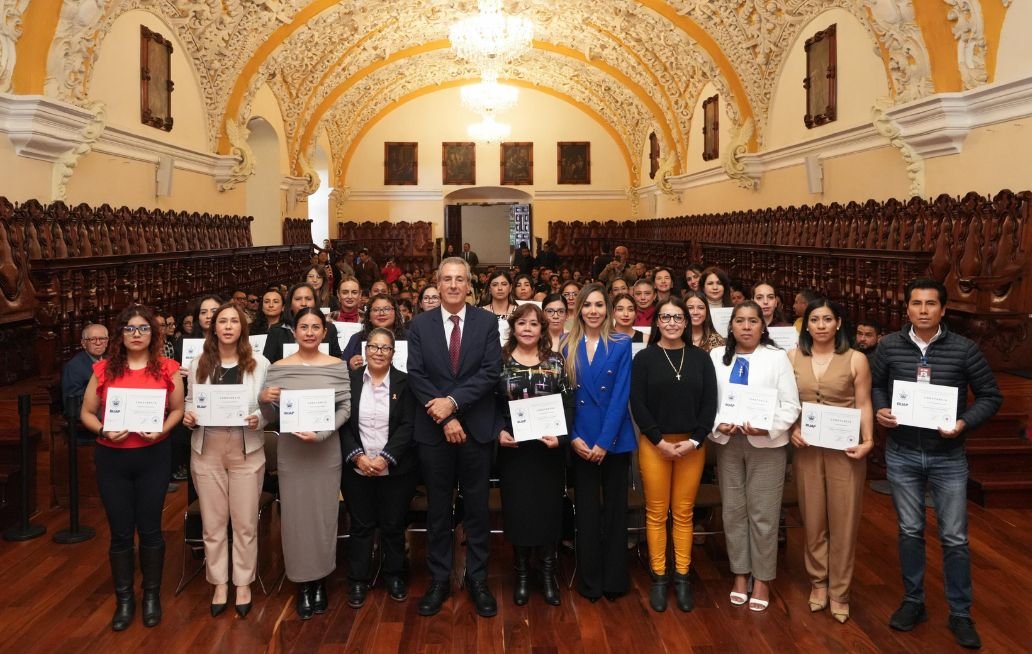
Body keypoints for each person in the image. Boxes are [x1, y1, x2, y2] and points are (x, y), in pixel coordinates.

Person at [872, 279, 1002, 649]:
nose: (924, 310)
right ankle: (914, 602)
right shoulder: (890, 346)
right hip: (902, 453)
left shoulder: (965, 349)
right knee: (910, 530)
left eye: (931, 304)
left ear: (943, 310)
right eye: (917, 303)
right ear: (908, 308)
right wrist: (881, 408)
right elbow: (878, 385)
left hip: (948, 457)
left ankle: (960, 612)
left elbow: (992, 396)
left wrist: (964, 422)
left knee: (954, 537)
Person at [79, 305, 185, 631]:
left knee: (151, 528)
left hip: (153, 456)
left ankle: (151, 595)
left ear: (153, 334)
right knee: (121, 531)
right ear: (120, 334)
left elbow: (178, 409)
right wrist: (103, 430)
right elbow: (86, 412)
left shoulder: (168, 368)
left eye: (143, 329)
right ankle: (124, 599)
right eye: (130, 329)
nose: (136, 334)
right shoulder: (103, 369)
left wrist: (164, 428)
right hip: (113, 458)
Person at [406, 257, 501, 618]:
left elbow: (491, 372)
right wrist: (444, 417)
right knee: (438, 510)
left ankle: (477, 579)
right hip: (434, 431)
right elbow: (416, 375)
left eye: (460, 279)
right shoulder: (420, 325)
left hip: (475, 429)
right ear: (438, 283)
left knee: (477, 509)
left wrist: (453, 403)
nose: (453, 285)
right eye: (447, 279)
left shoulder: (487, 322)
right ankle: (439, 579)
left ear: (469, 284)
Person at [259, 308, 351, 620]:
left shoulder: (337, 367)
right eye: (304, 327)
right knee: (296, 518)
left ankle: (320, 581)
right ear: (294, 332)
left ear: (324, 332)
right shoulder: (278, 368)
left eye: (316, 327)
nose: (310, 332)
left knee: (324, 516)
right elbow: (272, 418)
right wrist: (263, 400)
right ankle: (301, 582)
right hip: (292, 452)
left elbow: (345, 408)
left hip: (325, 450)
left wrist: (323, 432)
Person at [709, 301, 800, 613]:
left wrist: (769, 429)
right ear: (730, 326)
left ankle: (762, 578)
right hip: (729, 444)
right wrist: (717, 424)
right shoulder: (716, 358)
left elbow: (791, 405)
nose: (746, 327)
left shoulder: (777, 359)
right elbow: (709, 402)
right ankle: (740, 574)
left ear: (763, 326)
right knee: (733, 512)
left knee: (763, 513)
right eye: (740, 321)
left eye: (752, 321)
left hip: (766, 446)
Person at [788, 298, 874, 624]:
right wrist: (793, 428)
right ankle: (818, 583)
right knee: (812, 519)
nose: (821, 325)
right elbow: (788, 403)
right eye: (815, 320)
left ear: (838, 323)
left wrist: (869, 440)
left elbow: (864, 403)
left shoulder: (856, 359)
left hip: (846, 450)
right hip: (808, 447)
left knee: (844, 521)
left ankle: (840, 590)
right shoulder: (792, 357)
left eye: (827, 319)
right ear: (806, 325)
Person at [182, 303, 270, 619]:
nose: (229, 326)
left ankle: (243, 583)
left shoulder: (259, 364)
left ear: (242, 328)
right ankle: (219, 582)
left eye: (235, 321)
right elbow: (191, 402)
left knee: (245, 522)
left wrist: (257, 418)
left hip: (246, 448)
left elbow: (269, 408)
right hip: (207, 448)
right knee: (213, 522)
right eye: (223, 321)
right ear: (213, 327)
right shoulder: (197, 364)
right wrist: (189, 416)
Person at [631, 297, 717, 613]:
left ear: (687, 321)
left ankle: (681, 576)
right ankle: (659, 577)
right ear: (657, 322)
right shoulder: (644, 359)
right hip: (655, 445)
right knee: (656, 512)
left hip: (691, 447)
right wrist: (658, 440)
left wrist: (695, 440)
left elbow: (710, 404)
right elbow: (637, 403)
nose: (671, 323)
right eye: (665, 317)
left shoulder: (700, 359)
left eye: (677, 317)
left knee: (683, 512)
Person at [494, 304, 572, 606]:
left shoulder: (555, 361)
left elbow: (568, 404)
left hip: (547, 450)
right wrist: (499, 431)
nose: (527, 328)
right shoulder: (499, 361)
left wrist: (562, 438)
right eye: (522, 323)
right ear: (513, 328)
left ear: (542, 329)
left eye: (534, 324)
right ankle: (523, 575)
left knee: (549, 511)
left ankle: (549, 574)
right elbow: (490, 403)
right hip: (514, 450)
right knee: (519, 512)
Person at [563, 283, 636, 602]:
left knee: (616, 512)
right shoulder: (567, 345)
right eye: (587, 305)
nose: (593, 311)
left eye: (599, 305)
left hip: (614, 440)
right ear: (578, 309)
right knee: (587, 514)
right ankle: (590, 581)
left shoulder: (621, 344)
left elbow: (620, 397)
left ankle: (615, 580)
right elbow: (565, 399)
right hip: (580, 439)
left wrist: (604, 442)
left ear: (608, 309)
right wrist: (575, 438)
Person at [339, 327, 418, 608]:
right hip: (357, 467)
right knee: (360, 525)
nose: (378, 353)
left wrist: (385, 457)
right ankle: (358, 579)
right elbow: (343, 424)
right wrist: (358, 457)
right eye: (373, 347)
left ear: (393, 354)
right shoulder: (350, 382)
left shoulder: (405, 384)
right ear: (365, 350)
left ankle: (395, 575)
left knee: (393, 524)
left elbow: (408, 426)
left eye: (385, 348)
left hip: (396, 468)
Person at [263, 284, 343, 363]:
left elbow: (337, 360)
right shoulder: (276, 331)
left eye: (308, 299)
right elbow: (268, 363)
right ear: (290, 304)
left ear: (315, 302)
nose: (303, 303)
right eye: (298, 299)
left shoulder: (329, 328)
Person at [341, 294, 407, 371]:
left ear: (396, 313)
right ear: (369, 316)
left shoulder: (409, 337)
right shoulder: (356, 339)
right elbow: (341, 368)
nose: (382, 313)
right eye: (376, 310)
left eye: (387, 309)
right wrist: (350, 364)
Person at [63, 323, 110, 404]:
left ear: (107, 342)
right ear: (84, 343)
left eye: (102, 339)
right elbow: (73, 401)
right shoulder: (73, 367)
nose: (98, 343)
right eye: (92, 339)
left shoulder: (112, 361)